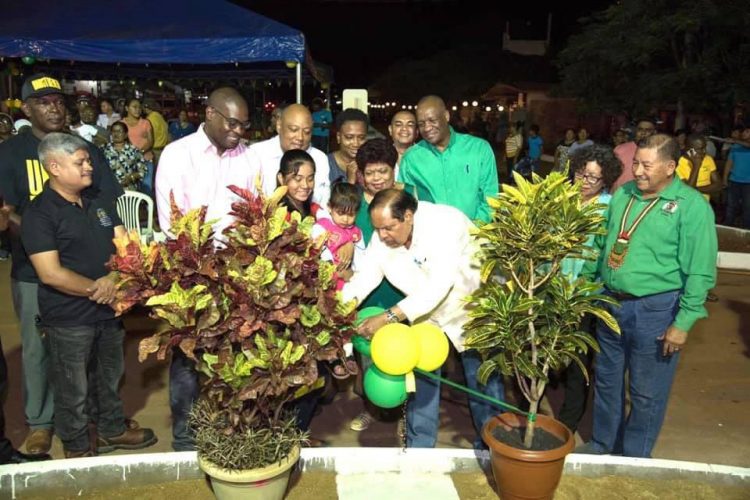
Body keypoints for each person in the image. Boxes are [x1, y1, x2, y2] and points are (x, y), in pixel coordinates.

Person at [0, 73, 123, 457]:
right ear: (26, 108)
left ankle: (101, 424)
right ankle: (41, 423)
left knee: (99, 353)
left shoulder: (86, 148)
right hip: (34, 269)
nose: (54, 107)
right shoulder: (9, 154)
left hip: (98, 271)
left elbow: (105, 200)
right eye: (43, 102)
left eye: (57, 100)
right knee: (42, 351)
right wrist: (45, 239)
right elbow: (8, 211)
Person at [577, 134, 717, 458]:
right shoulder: (624, 193)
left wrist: (683, 323)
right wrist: (586, 285)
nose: (637, 171)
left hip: (655, 310)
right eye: (635, 163)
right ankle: (603, 444)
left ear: (670, 167)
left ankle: (635, 457)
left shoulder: (691, 207)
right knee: (607, 383)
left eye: (646, 165)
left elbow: (700, 272)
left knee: (645, 393)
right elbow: (602, 243)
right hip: (609, 302)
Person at [21, 133, 157, 458]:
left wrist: (114, 277)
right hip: (69, 317)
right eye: (79, 162)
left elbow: (122, 243)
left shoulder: (99, 204)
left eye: (88, 160)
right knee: (73, 389)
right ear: (54, 167)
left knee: (110, 376)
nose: (88, 167)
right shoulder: (39, 214)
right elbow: (50, 272)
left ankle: (111, 430)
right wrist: (100, 288)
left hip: (108, 311)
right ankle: (77, 448)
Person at [343, 189, 505, 449]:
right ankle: (421, 445)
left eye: (388, 228)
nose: (382, 235)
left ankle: (493, 445)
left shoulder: (445, 223)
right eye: (378, 229)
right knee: (422, 372)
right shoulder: (382, 236)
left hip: (471, 306)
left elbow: (440, 285)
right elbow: (366, 276)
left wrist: (388, 317)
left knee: (482, 377)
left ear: (408, 216)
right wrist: (340, 309)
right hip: (423, 310)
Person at [155, 87, 261, 450]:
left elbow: (254, 213)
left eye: (245, 125)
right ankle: (186, 439)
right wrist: (203, 262)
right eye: (233, 123)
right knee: (189, 356)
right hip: (190, 271)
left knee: (234, 355)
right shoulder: (177, 154)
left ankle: (229, 433)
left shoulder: (248, 158)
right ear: (210, 114)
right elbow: (171, 220)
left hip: (236, 273)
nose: (239, 131)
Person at [346, 138, 428, 432]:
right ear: (360, 175)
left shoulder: (413, 198)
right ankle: (372, 408)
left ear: (394, 168)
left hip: (407, 293)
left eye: (383, 171)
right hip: (368, 292)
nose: (377, 178)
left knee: (408, 356)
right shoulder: (353, 203)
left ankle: (410, 415)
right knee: (370, 357)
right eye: (370, 173)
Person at [556, 144, 622, 434]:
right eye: (581, 174)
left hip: (585, 295)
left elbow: (605, 253)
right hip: (553, 289)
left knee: (578, 361)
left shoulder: (609, 207)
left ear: (605, 180)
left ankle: (569, 420)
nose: (585, 182)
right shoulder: (561, 198)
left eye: (593, 178)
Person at [399, 95, 498, 223]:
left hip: (475, 236)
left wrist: (472, 230)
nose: (427, 128)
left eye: (432, 120)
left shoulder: (479, 149)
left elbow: (491, 198)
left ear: (446, 116)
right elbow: (405, 203)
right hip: (430, 237)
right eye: (421, 124)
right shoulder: (411, 159)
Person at [249, 104, 331, 207]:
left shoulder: (319, 159)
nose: (300, 137)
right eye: (293, 129)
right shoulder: (256, 154)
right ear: (279, 126)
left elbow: (324, 204)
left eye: (307, 132)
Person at [311, 182, 364, 290]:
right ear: (330, 207)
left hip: (348, 282)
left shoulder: (356, 232)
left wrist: (356, 276)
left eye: (351, 215)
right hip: (325, 279)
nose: (345, 219)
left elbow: (361, 256)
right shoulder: (322, 226)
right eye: (341, 213)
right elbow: (319, 250)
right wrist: (331, 269)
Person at [611, 118, 657, 192]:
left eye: (647, 130)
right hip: (618, 195)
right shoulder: (620, 149)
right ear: (636, 131)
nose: (643, 133)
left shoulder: (658, 153)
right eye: (640, 129)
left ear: (654, 132)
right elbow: (610, 174)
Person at [103, 121, 149, 191]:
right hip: (109, 189)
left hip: (129, 189)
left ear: (125, 134)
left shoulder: (134, 150)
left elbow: (143, 171)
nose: (116, 134)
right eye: (114, 131)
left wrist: (131, 177)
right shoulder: (103, 149)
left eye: (119, 131)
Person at [328, 108, 368, 184]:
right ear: (338, 137)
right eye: (349, 137)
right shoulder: (325, 164)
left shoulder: (371, 163)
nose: (356, 144)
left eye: (361, 138)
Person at [676, 134, 721, 202]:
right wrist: (696, 166)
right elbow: (688, 193)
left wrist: (696, 189)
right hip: (687, 206)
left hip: (704, 204)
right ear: (689, 149)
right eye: (700, 149)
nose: (704, 151)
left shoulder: (708, 159)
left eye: (705, 147)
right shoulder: (678, 164)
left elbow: (718, 185)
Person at [723, 124, 750, 228]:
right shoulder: (735, 147)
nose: (744, 133)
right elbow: (729, 163)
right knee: (731, 206)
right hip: (734, 180)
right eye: (744, 131)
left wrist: (735, 141)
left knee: (747, 207)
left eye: (747, 131)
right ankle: (727, 226)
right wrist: (725, 178)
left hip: (748, 182)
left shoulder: (737, 143)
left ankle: (747, 230)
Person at [388, 110, 417, 176]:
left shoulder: (426, 157)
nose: (404, 128)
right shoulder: (380, 155)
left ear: (416, 132)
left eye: (410, 125)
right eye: (398, 125)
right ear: (390, 130)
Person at [143, 100, 169, 164]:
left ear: (146, 108)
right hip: (163, 148)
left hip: (155, 150)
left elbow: (147, 135)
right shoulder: (159, 116)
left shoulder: (149, 119)